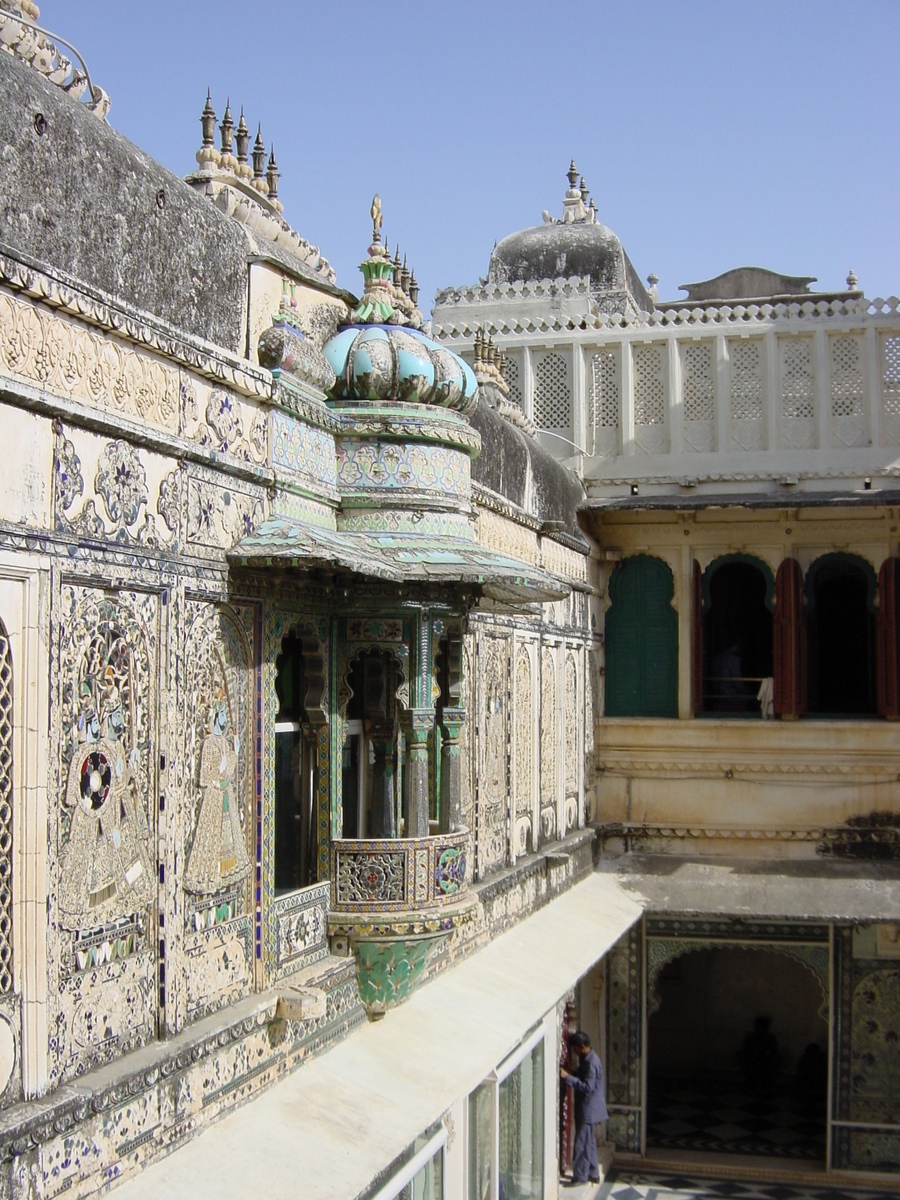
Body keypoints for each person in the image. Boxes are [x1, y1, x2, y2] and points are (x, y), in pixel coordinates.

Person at [560, 1032, 608, 1186]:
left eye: (575, 1049)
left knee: (582, 1143)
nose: (574, 1052)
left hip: (589, 1110)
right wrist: (571, 1073)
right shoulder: (585, 1060)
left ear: (582, 1047)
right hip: (587, 1109)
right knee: (590, 1142)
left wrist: (568, 1078)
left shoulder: (592, 1063)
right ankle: (593, 1172)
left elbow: (588, 1087)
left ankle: (580, 1176)